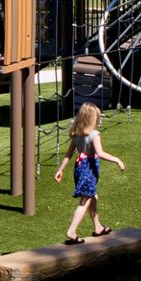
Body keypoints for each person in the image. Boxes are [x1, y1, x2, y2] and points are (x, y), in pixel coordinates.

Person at [53, 103, 125, 245]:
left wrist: (60, 170)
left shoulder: (76, 135)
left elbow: (68, 155)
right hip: (89, 169)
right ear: (93, 119)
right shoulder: (94, 135)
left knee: (93, 196)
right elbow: (100, 153)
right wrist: (117, 160)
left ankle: (98, 227)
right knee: (85, 200)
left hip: (79, 167)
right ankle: (71, 231)